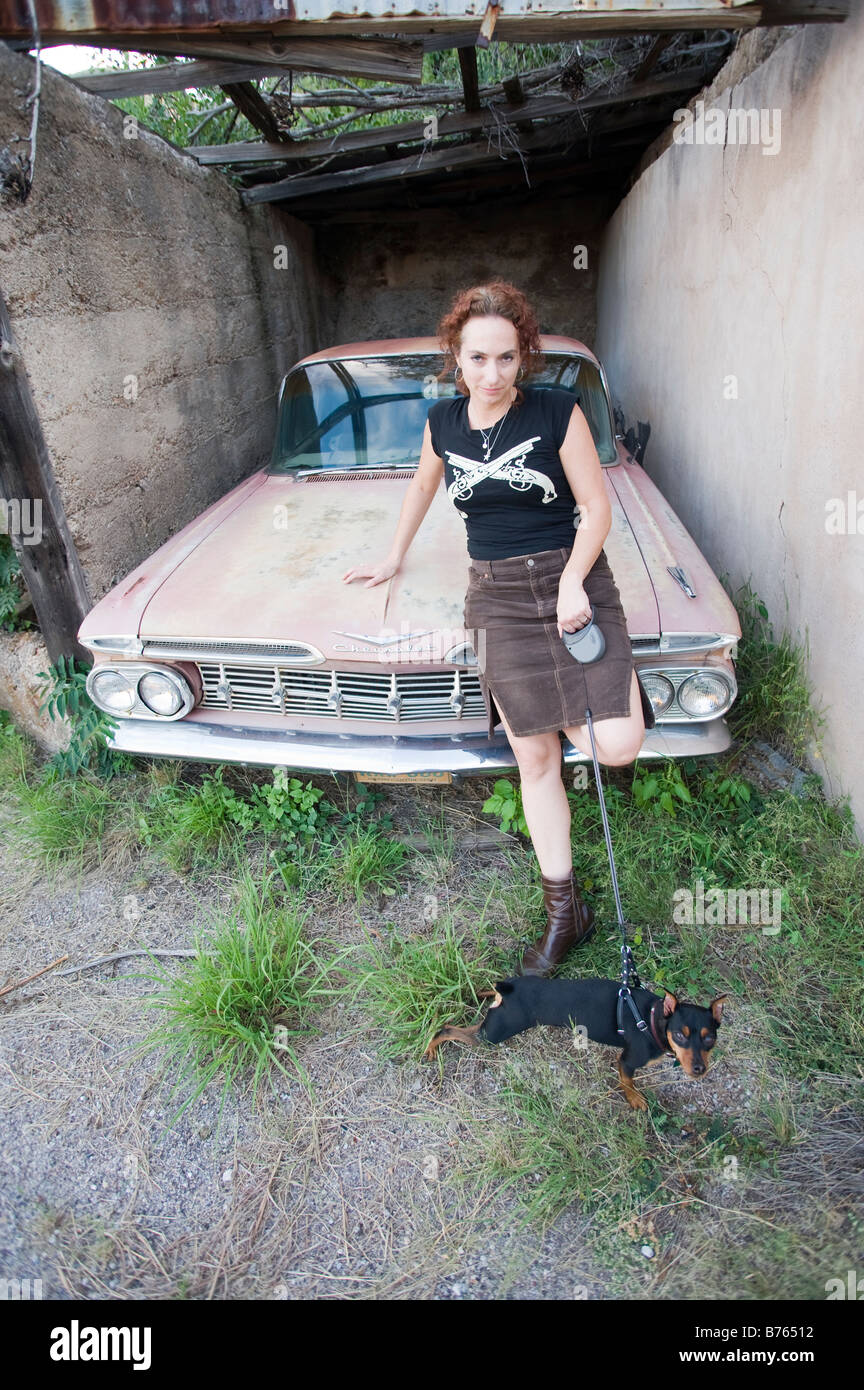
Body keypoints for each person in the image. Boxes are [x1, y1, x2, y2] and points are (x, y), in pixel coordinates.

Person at [342, 281, 655, 976]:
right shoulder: (443, 425)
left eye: (507, 358)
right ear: (456, 355)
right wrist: (393, 554)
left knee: (619, 745)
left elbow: (596, 510)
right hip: (497, 598)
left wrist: (574, 580)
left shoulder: (556, 411)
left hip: (573, 577)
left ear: (524, 356)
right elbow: (425, 485)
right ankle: (564, 912)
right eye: (478, 358)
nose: (492, 374)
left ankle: (587, 702)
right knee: (535, 760)